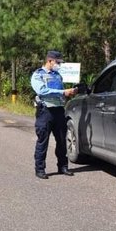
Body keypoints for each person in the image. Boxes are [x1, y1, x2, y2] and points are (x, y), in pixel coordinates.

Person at [30, 50, 78, 179]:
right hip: (45, 112)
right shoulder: (38, 75)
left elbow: (61, 92)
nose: (59, 65)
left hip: (58, 111)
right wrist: (63, 92)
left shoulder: (57, 75)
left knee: (62, 141)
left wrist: (70, 93)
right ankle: (40, 169)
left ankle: (63, 166)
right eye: (57, 62)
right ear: (49, 61)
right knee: (43, 141)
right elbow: (42, 90)